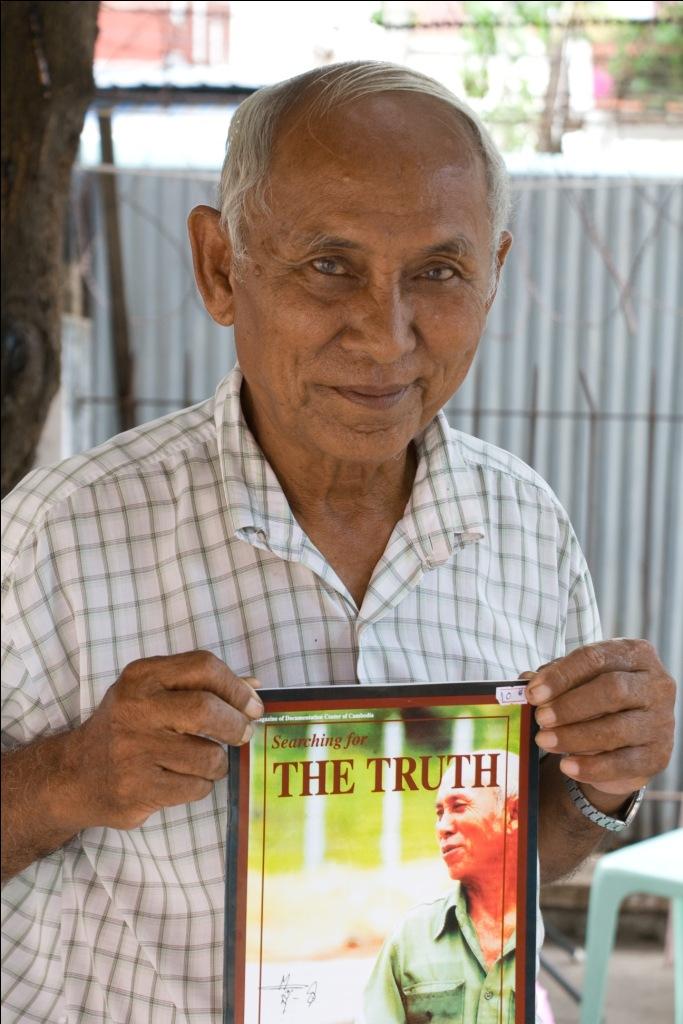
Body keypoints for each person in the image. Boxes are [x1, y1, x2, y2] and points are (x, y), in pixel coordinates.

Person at [1, 61, 675, 1024]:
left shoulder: (523, 522)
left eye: (437, 272)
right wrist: (72, 775)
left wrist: (605, 781)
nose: (384, 333)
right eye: (330, 265)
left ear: (494, 276)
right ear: (220, 268)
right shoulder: (61, 534)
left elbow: (514, 857)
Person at [363, 751, 520, 1023]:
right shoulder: (411, 935)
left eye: (458, 806)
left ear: (513, 814)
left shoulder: (536, 936)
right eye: (439, 813)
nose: (443, 827)